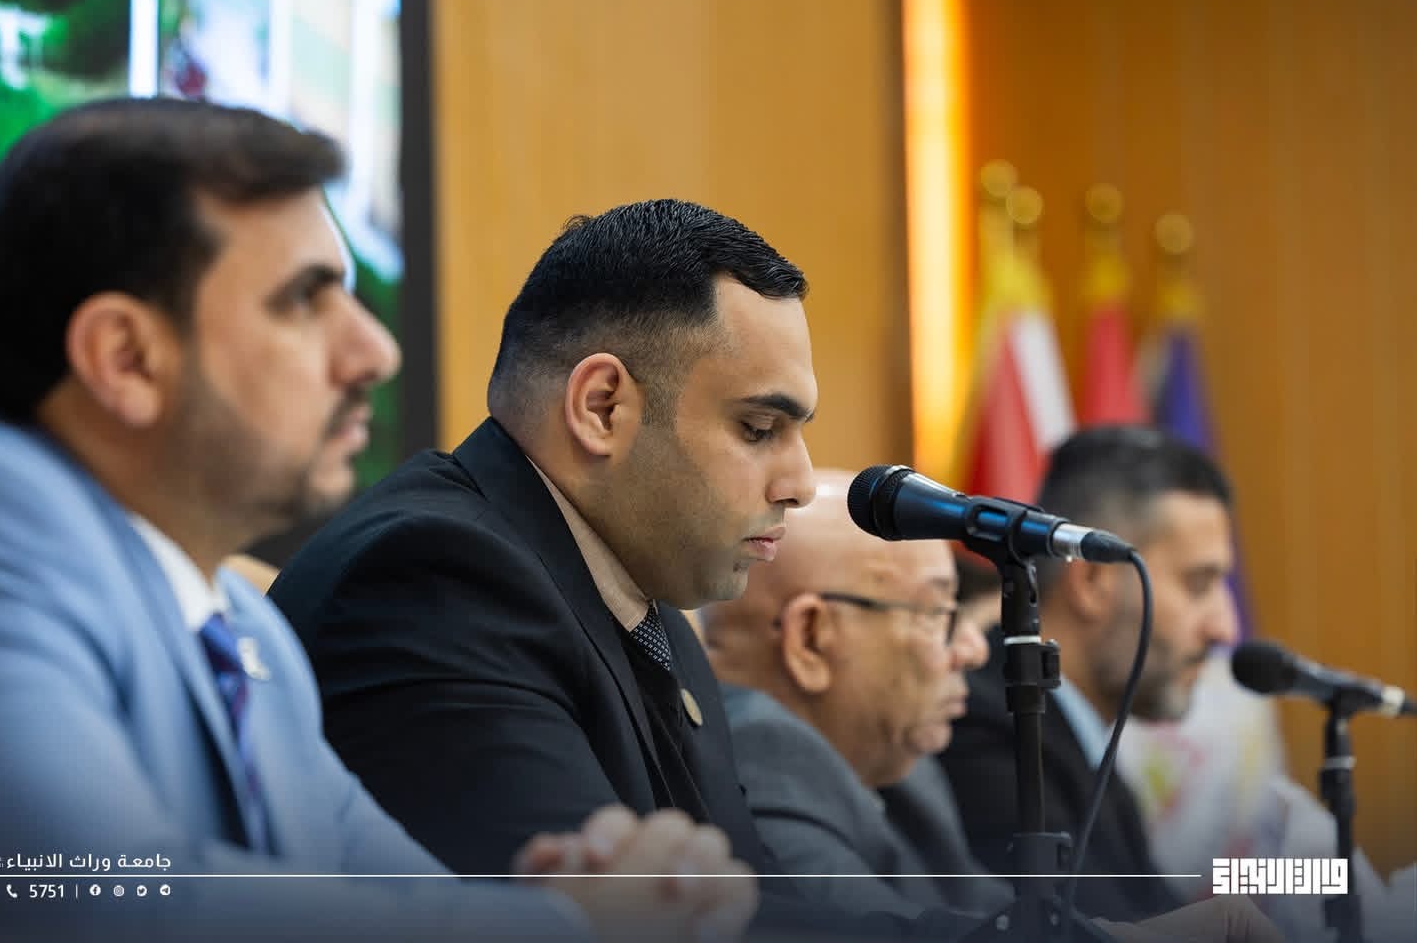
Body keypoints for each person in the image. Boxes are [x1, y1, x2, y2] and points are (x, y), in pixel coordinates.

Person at [272, 201, 1280, 943]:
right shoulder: (435, 580)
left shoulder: (652, 619)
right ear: (603, 408)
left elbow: (762, 911)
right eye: (760, 428)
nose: (800, 482)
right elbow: (622, 924)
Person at [0, 99, 756, 942]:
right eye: (304, 301)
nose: (374, 352)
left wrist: (594, 905)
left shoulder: (246, 635)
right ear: (126, 359)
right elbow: (72, 893)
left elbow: (404, 899)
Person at [938, 424, 1240, 923]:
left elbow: (1154, 912)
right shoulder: (987, 726)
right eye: (1197, 584)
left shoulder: (1078, 730)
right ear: (1094, 580)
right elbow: (1090, 932)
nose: (1225, 628)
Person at [699, 469, 1011, 918]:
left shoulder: (898, 763)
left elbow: (995, 913)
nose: (974, 650)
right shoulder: (759, 758)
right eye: (935, 612)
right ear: (811, 638)